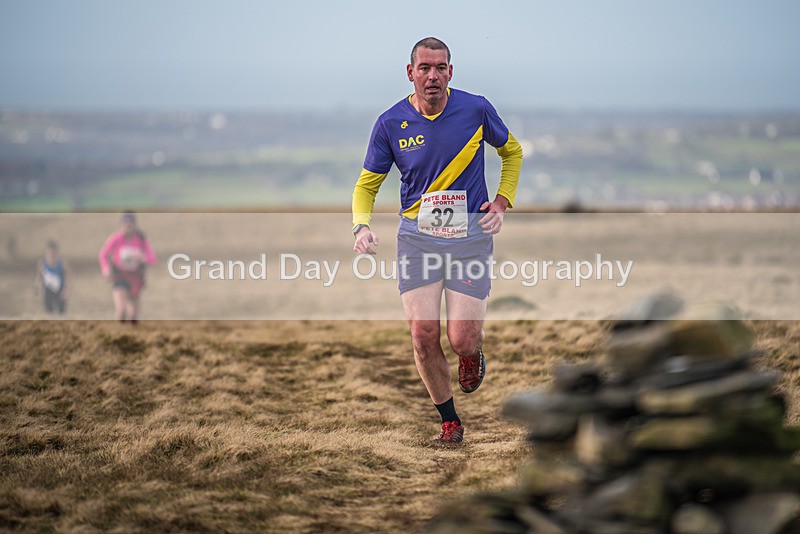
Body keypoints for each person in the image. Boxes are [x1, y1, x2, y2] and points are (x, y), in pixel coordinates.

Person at [351, 37, 523, 445]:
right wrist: (361, 225)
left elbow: (512, 153)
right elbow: (367, 184)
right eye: (424, 68)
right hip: (418, 240)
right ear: (410, 73)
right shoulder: (391, 123)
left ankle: (471, 354)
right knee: (423, 334)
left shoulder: (475, 109)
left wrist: (501, 201)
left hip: (469, 240)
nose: (433, 75)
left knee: (461, 337)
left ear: (451, 71)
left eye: (440, 67)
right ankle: (449, 421)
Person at [98, 212, 156, 323]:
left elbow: (152, 258)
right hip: (119, 275)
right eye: (125, 224)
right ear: (121, 225)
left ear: (135, 225)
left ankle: (132, 336)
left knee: (133, 315)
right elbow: (103, 255)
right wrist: (106, 270)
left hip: (135, 277)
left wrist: (143, 258)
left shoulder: (141, 240)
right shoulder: (115, 239)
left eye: (130, 224)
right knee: (122, 310)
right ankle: (118, 334)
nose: (128, 227)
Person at [35, 239, 69, 314]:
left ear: (57, 252)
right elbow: (39, 276)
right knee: (48, 310)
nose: (51, 254)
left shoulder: (61, 263)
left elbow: (69, 277)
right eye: (49, 252)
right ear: (46, 252)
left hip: (60, 289)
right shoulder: (42, 263)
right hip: (48, 289)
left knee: (61, 312)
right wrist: (37, 286)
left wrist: (66, 290)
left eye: (53, 252)